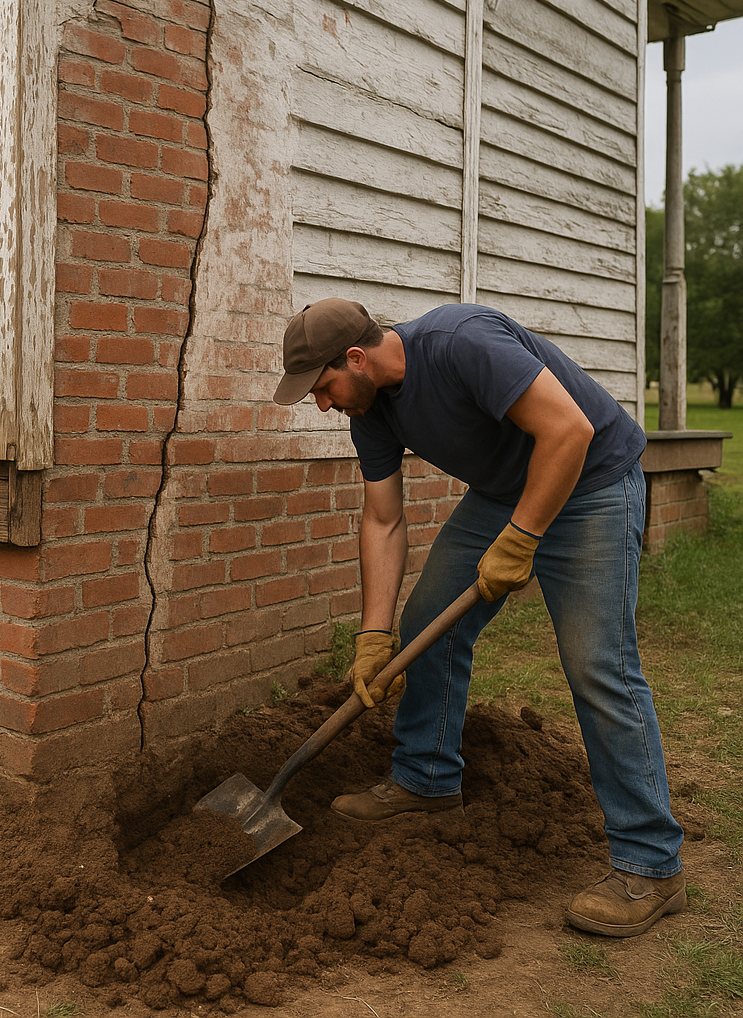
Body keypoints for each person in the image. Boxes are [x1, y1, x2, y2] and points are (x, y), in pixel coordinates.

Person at [273, 298, 684, 938]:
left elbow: (569, 431)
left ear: (355, 358)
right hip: (505, 492)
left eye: (322, 388)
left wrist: (522, 539)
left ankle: (650, 865)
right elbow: (383, 519)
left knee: (598, 668)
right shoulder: (370, 405)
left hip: (593, 481)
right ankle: (426, 779)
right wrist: (373, 635)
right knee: (427, 625)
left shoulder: (463, 343)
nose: (322, 404)